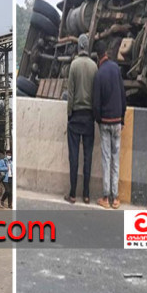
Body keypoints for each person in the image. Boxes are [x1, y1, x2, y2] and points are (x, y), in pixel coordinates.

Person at [92, 40, 126, 209]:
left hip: (105, 123)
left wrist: (98, 119)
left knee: (106, 159)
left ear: (97, 57)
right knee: (116, 158)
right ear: (106, 52)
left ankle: (105, 197)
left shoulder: (99, 74)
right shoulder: (116, 69)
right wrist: (122, 118)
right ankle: (116, 198)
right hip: (117, 121)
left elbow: (96, 103)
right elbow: (123, 96)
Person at [64, 34, 98, 204]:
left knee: (74, 157)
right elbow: (96, 93)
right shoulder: (94, 67)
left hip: (76, 115)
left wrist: (69, 114)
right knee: (87, 157)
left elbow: (70, 93)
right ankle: (86, 194)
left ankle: (72, 194)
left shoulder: (74, 65)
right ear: (88, 47)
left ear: (79, 47)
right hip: (89, 117)